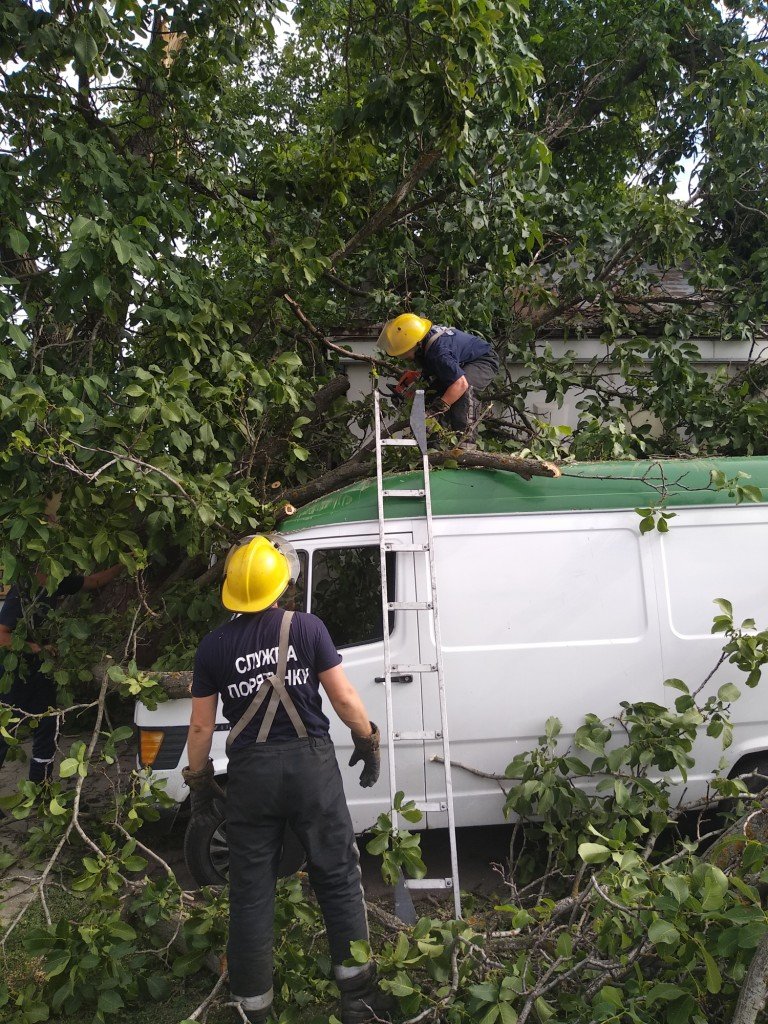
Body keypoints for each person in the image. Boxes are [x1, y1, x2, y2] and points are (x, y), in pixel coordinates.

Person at [183, 534, 394, 1024]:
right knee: (338, 878)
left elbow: (199, 727)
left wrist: (199, 784)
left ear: (233, 591)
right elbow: (343, 701)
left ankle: (253, 1010)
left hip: (251, 777)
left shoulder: (213, 647)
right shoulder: (308, 628)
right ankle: (358, 998)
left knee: (251, 890)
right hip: (310, 770)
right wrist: (367, 740)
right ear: (282, 586)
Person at [0, 563, 123, 787]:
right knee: (5, 729)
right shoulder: (23, 590)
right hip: (13, 671)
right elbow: (2, 636)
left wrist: (125, 563)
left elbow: (94, 581)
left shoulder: (58, 581)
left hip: (42, 670)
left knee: (48, 724)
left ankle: (41, 787)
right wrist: (36, 647)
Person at [378, 312, 500, 445]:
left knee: (463, 393)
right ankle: (433, 448)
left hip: (482, 360)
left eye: (403, 353)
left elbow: (460, 384)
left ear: (416, 344)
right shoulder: (424, 340)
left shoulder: (438, 352)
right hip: (460, 363)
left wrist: (436, 410)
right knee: (430, 397)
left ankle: (466, 448)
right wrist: (416, 386)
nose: (403, 356)